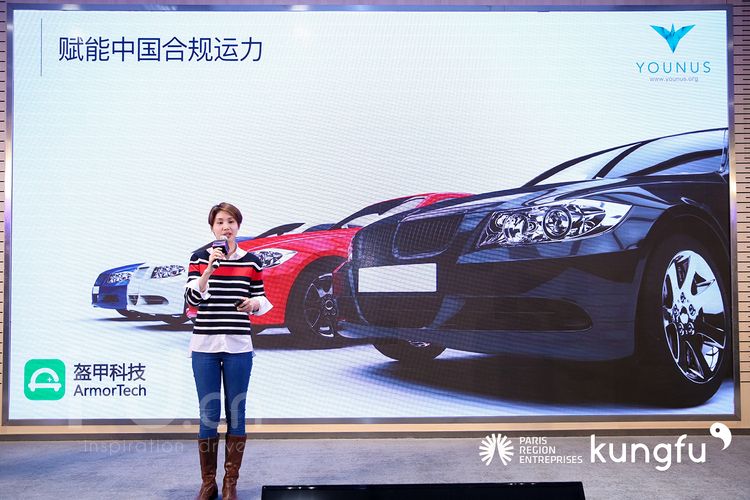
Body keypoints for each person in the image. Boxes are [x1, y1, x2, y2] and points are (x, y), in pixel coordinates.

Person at [185, 202, 272, 500]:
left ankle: (230, 482)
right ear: (212, 227)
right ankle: (208, 483)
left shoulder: (252, 261)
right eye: (220, 222)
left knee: (237, 412)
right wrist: (209, 270)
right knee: (208, 414)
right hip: (205, 347)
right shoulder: (199, 258)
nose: (226, 227)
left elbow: (261, 298)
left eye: (231, 221)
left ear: (238, 226)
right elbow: (192, 299)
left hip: (238, 346)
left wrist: (253, 304)